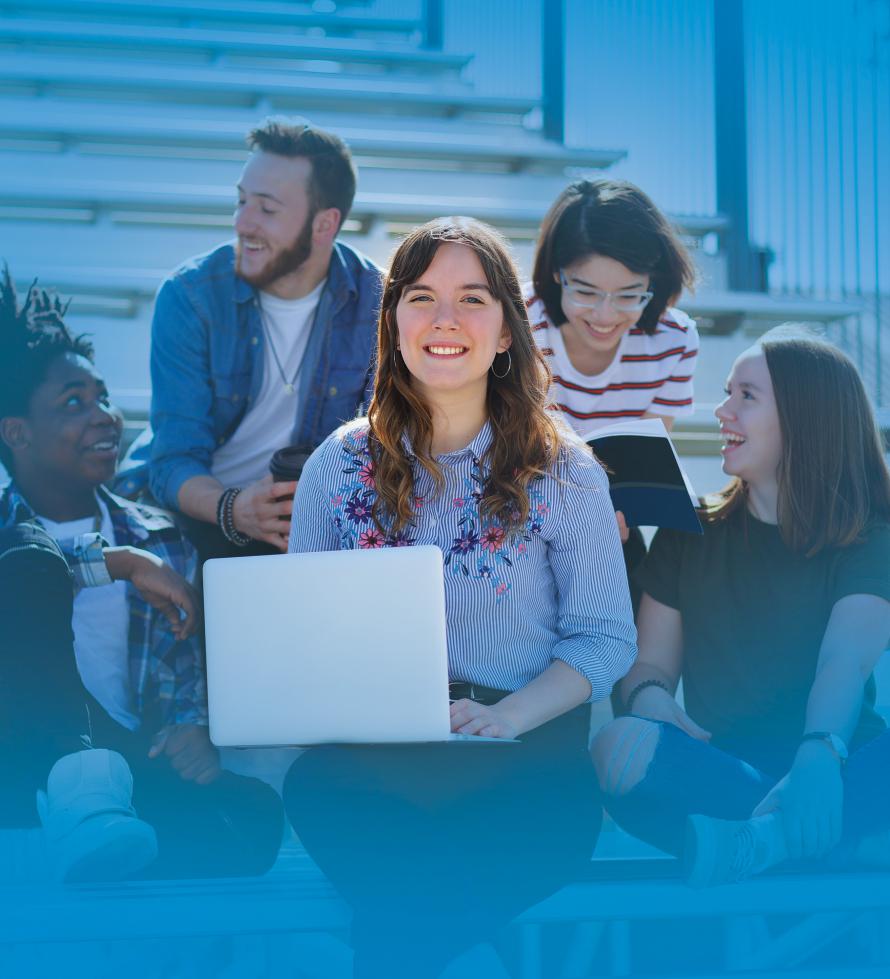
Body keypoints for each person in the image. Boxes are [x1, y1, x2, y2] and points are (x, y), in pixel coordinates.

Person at [282, 218, 637, 977]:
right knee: (317, 788)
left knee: (402, 923)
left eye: (472, 298)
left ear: (507, 331)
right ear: (394, 323)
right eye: (421, 297)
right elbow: (301, 634)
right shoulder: (335, 468)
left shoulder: (567, 471)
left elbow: (605, 638)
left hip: (524, 759)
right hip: (373, 766)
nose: (445, 320)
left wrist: (507, 716)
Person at [0, 269, 283, 882]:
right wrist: (116, 567)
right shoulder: (13, 538)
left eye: (103, 397)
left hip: (130, 766)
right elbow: (26, 572)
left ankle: (105, 838)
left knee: (254, 818)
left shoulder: (160, 537)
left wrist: (193, 730)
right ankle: (80, 820)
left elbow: (182, 667)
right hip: (20, 765)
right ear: (16, 432)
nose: (103, 417)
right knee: (29, 566)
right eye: (73, 403)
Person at [590, 327, 890, 888]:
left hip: (841, 762)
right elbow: (649, 665)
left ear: (806, 417)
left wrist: (820, 757)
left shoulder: (870, 535)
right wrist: (651, 699)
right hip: (725, 774)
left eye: (745, 396)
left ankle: (768, 841)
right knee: (615, 746)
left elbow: (843, 662)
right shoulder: (689, 531)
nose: (722, 411)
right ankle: (837, 841)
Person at [122, 118, 383, 560]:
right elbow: (173, 461)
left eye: (266, 208)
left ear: (325, 224)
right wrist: (233, 509)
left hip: (314, 521)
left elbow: (384, 449)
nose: (243, 223)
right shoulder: (191, 296)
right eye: (241, 201)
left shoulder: (378, 302)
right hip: (201, 512)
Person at [526, 178, 699, 434]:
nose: (605, 315)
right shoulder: (518, 320)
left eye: (628, 296)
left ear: (652, 281)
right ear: (555, 272)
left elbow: (647, 457)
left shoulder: (675, 340)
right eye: (585, 292)